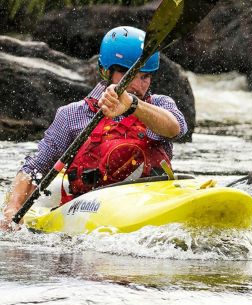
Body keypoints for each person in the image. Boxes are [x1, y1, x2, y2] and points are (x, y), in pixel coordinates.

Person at [1, 26, 187, 229]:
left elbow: (175, 128)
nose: (137, 85)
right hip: (92, 207)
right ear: (105, 71)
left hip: (152, 201)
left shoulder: (160, 105)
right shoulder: (72, 115)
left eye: (145, 77)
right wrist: (12, 210)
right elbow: (34, 169)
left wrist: (133, 105)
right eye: (128, 74)